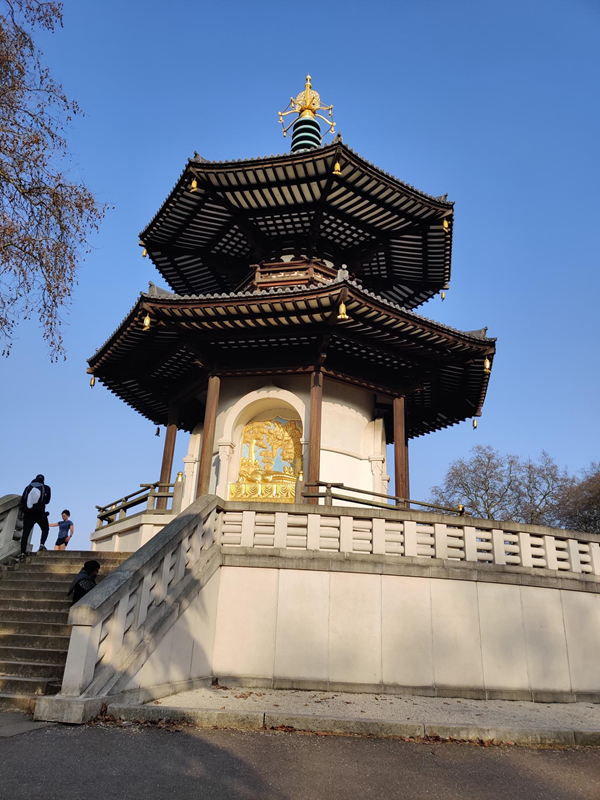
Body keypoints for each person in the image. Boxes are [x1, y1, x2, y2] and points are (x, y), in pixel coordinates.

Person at [19, 474, 51, 560]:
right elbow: (47, 501)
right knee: (45, 528)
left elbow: (23, 500)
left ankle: (22, 552)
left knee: (25, 532)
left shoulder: (28, 487)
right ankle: (41, 545)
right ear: (43, 480)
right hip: (40, 513)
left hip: (28, 513)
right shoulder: (46, 488)